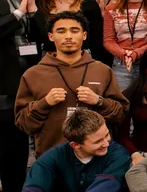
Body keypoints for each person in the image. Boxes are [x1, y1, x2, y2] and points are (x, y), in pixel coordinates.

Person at [16, 11, 128, 157]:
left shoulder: (103, 71)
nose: (68, 36)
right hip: (51, 158)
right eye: (61, 31)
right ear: (51, 36)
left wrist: (98, 100)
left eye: (74, 31)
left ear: (84, 35)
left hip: (96, 157)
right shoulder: (33, 74)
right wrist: (44, 103)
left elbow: (120, 113)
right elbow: (23, 123)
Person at [1, 0, 46, 192]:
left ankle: (17, 190)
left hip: (30, 75)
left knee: (21, 136)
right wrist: (18, 13)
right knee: (8, 137)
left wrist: (33, 11)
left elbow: (45, 35)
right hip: (4, 77)